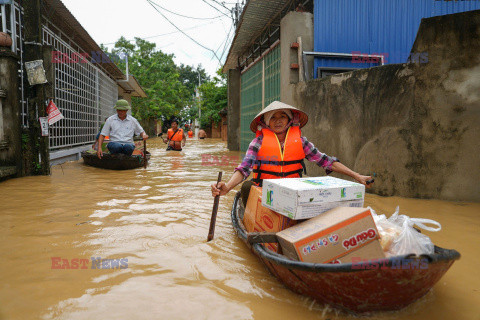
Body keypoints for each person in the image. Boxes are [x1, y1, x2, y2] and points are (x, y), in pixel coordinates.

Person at [211, 101, 374, 206]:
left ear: (289, 120)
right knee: (247, 187)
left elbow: (327, 162)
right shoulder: (258, 143)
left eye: (283, 116)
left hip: (293, 193)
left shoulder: (301, 142)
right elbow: (244, 169)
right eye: (273, 118)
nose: (278, 120)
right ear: (266, 123)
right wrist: (227, 187)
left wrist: (356, 176)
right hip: (266, 192)